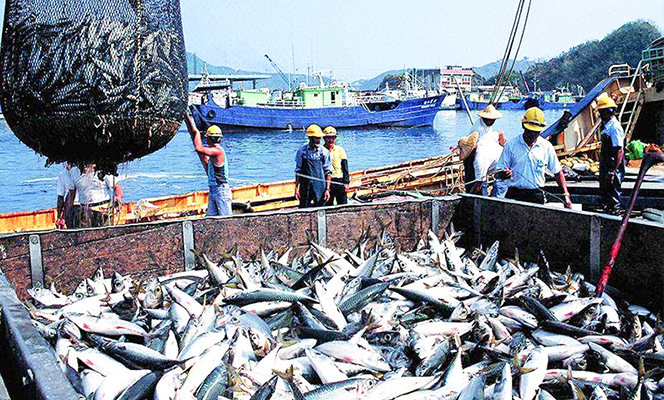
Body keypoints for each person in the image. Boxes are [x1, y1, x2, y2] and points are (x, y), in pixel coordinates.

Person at [496, 107, 572, 208]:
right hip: (515, 194)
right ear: (523, 126)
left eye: (535, 132)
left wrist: (566, 195)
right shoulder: (511, 145)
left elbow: (557, 172)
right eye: (529, 131)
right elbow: (498, 174)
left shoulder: (546, 146)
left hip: (537, 194)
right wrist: (503, 174)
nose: (532, 134)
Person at [184, 113, 232, 217]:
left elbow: (199, 148)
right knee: (210, 219)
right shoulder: (213, 155)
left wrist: (196, 132)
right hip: (214, 190)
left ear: (209, 139)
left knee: (226, 219)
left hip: (221, 190)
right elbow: (204, 159)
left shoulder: (218, 151)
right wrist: (188, 121)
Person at [596, 95, 625, 215]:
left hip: (612, 166)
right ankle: (607, 212)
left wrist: (613, 170)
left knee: (613, 192)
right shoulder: (607, 126)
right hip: (606, 164)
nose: (600, 115)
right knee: (605, 191)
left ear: (607, 112)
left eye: (601, 112)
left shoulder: (614, 128)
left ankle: (614, 214)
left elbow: (619, 151)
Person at [471, 105, 507, 197]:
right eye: (489, 119)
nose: (491, 122)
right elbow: (479, 183)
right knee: (481, 183)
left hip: (502, 167)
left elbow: (478, 184)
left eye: (493, 119)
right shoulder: (478, 129)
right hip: (492, 161)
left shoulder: (481, 155)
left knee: (499, 186)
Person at [295, 124, 331, 208]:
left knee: (320, 208)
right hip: (305, 185)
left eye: (319, 138)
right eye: (316, 138)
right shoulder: (302, 151)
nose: (319, 140)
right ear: (310, 138)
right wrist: (296, 188)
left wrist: (327, 189)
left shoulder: (324, 152)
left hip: (320, 186)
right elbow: (298, 171)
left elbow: (328, 172)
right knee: (304, 207)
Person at [323, 126, 350, 205]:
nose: (331, 140)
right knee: (328, 204)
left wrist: (346, 183)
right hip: (327, 181)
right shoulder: (321, 151)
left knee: (343, 204)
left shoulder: (340, 150)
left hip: (339, 180)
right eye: (329, 138)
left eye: (333, 138)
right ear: (324, 138)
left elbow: (345, 167)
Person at [55, 163, 80, 229]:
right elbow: (61, 197)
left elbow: (61, 197)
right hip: (73, 207)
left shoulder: (63, 174)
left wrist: (60, 217)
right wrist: (60, 217)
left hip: (74, 207)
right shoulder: (62, 174)